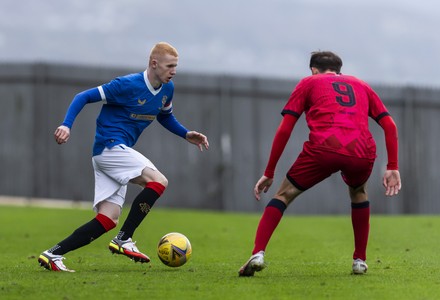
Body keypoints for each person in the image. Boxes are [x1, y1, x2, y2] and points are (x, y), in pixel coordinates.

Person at [38, 42, 209, 272]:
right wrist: (66, 125)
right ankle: (123, 239)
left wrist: (185, 134)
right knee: (159, 181)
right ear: (154, 63)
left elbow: (165, 116)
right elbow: (83, 96)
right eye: (170, 66)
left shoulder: (168, 89)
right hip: (109, 148)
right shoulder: (127, 84)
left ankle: (53, 254)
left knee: (108, 219)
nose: (174, 71)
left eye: (176, 66)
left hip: (111, 154)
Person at [238, 51, 401, 277]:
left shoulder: (309, 82)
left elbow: (285, 128)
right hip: (361, 151)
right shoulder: (361, 85)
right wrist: (392, 166)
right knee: (359, 193)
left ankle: (258, 253)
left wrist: (269, 171)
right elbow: (390, 125)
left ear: (314, 70)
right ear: (339, 70)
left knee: (283, 195)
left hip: (324, 148)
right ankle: (360, 260)